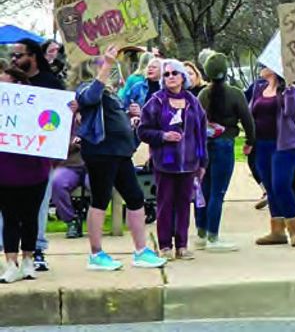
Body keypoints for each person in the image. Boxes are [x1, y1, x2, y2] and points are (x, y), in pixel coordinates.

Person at [73, 47, 167, 271]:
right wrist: (106, 64)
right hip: (100, 152)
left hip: (120, 152)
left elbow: (111, 116)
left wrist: (131, 116)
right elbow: (90, 97)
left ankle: (141, 250)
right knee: (100, 199)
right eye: (104, 65)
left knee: (135, 198)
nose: (111, 68)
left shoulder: (111, 94)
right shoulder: (85, 88)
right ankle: (96, 254)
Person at [137, 60, 208, 260]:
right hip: (164, 163)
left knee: (184, 204)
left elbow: (201, 134)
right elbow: (142, 131)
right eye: (166, 74)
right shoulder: (156, 101)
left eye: (174, 73)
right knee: (165, 203)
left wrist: (203, 163)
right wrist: (163, 136)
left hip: (189, 163)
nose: (170, 77)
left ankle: (182, 245)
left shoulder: (193, 102)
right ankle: (165, 246)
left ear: (183, 76)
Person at [193, 52, 254, 252]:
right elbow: (248, 120)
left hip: (205, 145)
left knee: (204, 191)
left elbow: (196, 122)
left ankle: (201, 233)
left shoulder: (202, 95)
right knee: (218, 193)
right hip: (225, 144)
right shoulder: (235, 94)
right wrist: (249, 141)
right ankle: (213, 237)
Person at [0, 69, 53, 284]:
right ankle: (11, 263)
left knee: (30, 217)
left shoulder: (39, 102)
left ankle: (28, 260)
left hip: (34, 170)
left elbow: (53, 124)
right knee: (10, 217)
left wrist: (70, 110)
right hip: (4, 171)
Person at [249, 65, 295, 247]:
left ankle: (294, 229)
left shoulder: (289, 90)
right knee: (270, 187)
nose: (261, 68)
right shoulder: (258, 88)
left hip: (285, 145)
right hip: (262, 144)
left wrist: (288, 90)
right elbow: (251, 113)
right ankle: (277, 230)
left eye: (265, 66)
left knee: (281, 185)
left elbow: (292, 112)